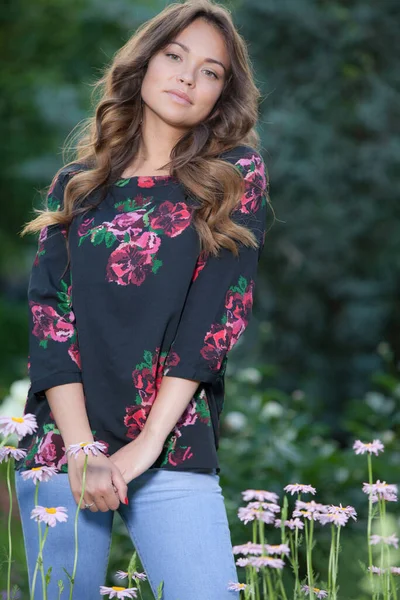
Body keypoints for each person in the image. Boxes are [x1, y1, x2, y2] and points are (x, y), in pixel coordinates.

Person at [14, 0, 270, 598]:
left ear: (220, 95)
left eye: (210, 71)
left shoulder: (235, 175)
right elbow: (51, 323)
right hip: (61, 442)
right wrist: (81, 452)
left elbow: (216, 317)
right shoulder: (74, 188)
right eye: (175, 56)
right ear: (145, 62)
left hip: (172, 440)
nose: (187, 76)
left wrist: (143, 447)